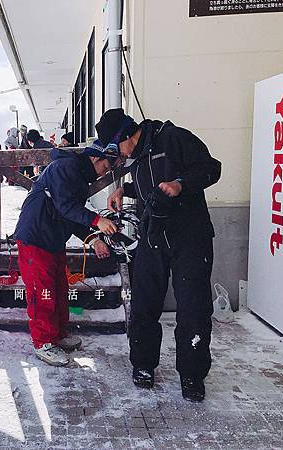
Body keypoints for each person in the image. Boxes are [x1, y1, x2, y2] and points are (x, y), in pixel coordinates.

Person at [96, 108, 221, 402]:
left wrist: (180, 185)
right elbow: (148, 187)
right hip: (152, 239)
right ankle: (143, 364)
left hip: (190, 239)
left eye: (116, 148)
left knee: (193, 308)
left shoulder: (173, 138)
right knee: (144, 302)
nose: (118, 156)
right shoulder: (137, 158)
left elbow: (211, 168)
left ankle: (191, 374)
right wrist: (124, 190)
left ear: (127, 134)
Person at [14, 143, 118, 366]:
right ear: (94, 159)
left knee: (60, 290)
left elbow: (72, 216)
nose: (106, 172)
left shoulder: (79, 177)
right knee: (42, 293)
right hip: (36, 238)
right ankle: (44, 342)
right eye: (106, 166)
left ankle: (58, 335)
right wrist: (97, 220)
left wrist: (94, 239)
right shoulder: (65, 167)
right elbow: (66, 207)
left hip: (53, 241)